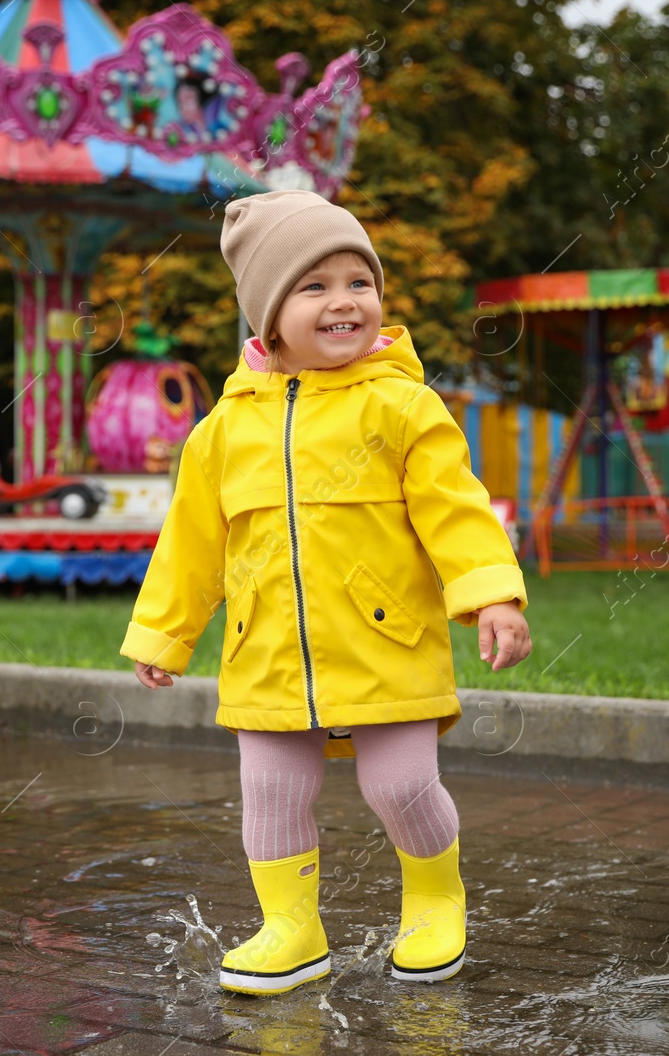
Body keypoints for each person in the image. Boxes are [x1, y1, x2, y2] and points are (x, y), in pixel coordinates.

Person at [120, 189, 532, 996]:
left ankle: (435, 895)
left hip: (389, 644)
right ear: (269, 317)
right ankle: (291, 927)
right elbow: (192, 543)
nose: (344, 300)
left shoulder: (404, 406)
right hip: (266, 652)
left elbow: (456, 509)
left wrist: (492, 594)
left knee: (400, 785)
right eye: (314, 286)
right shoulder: (222, 431)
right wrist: (163, 634)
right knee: (269, 793)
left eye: (359, 280)